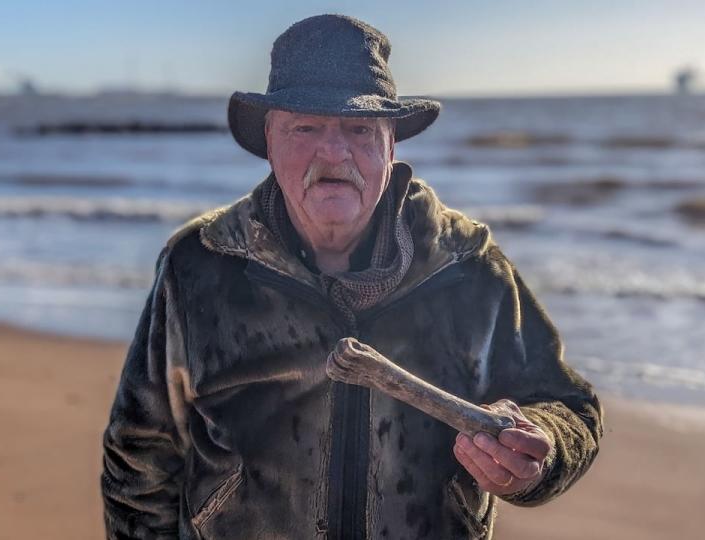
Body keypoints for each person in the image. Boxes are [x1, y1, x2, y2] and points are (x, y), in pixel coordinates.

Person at [101, 14, 602, 540]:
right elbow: (140, 456)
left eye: (360, 129)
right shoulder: (200, 264)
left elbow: (570, 409)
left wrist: (539, 449)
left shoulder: (468, 267)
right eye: (306, 127)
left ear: (392, 146)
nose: (335, 152)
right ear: (270, 141)